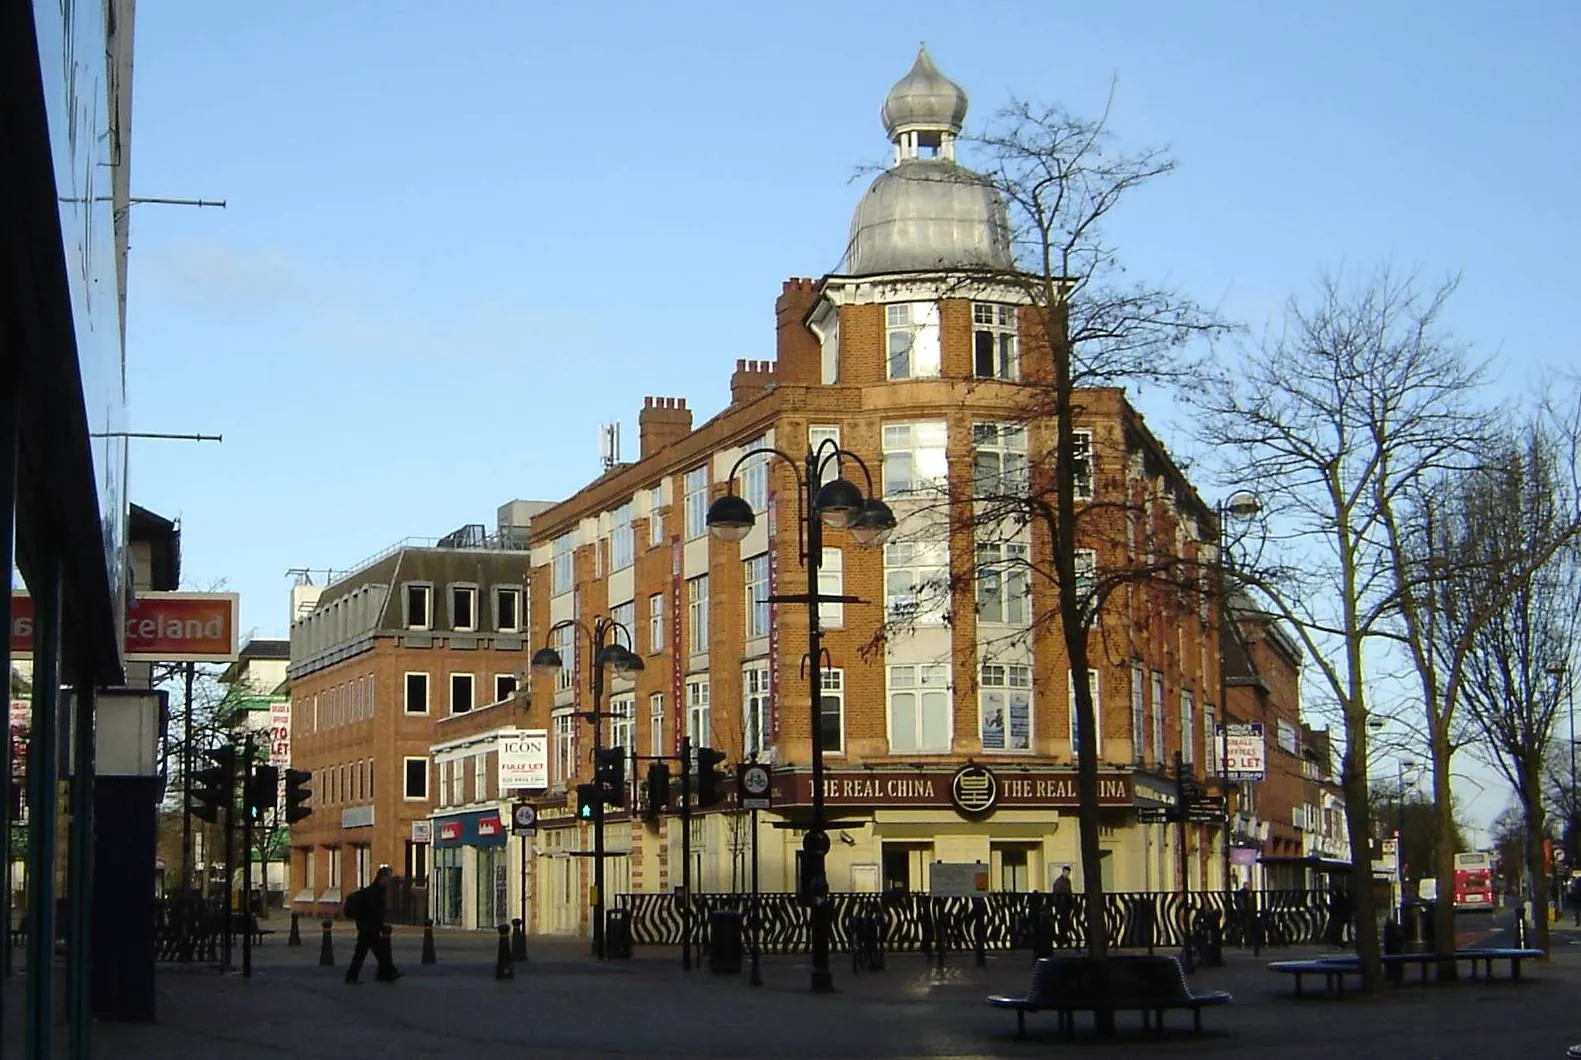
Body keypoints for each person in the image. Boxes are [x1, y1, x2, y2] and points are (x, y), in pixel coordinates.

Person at [345, 866, 402, 984]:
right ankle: (387, 972)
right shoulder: (374, 892)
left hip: (369, 927)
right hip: (368, 928)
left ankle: (386, 973)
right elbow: (373, 911)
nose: (390, 880)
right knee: (372, 953)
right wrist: (380, 925)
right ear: (383, 877)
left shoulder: (377, 890)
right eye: (388, 877)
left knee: (367, 953)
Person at [1050, 865, 1074, 947]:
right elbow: (1057, 894)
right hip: (1061, 906)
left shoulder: (1068, 881)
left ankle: (1063, 938)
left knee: (1065, 922)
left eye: (1068, 873)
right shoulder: (1059, 882)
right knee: (1062, 922)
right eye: (1066, 872)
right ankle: (1062, 938)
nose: (1067, 874)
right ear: (1063, 872)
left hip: (1066, 905)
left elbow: (1070, 892)